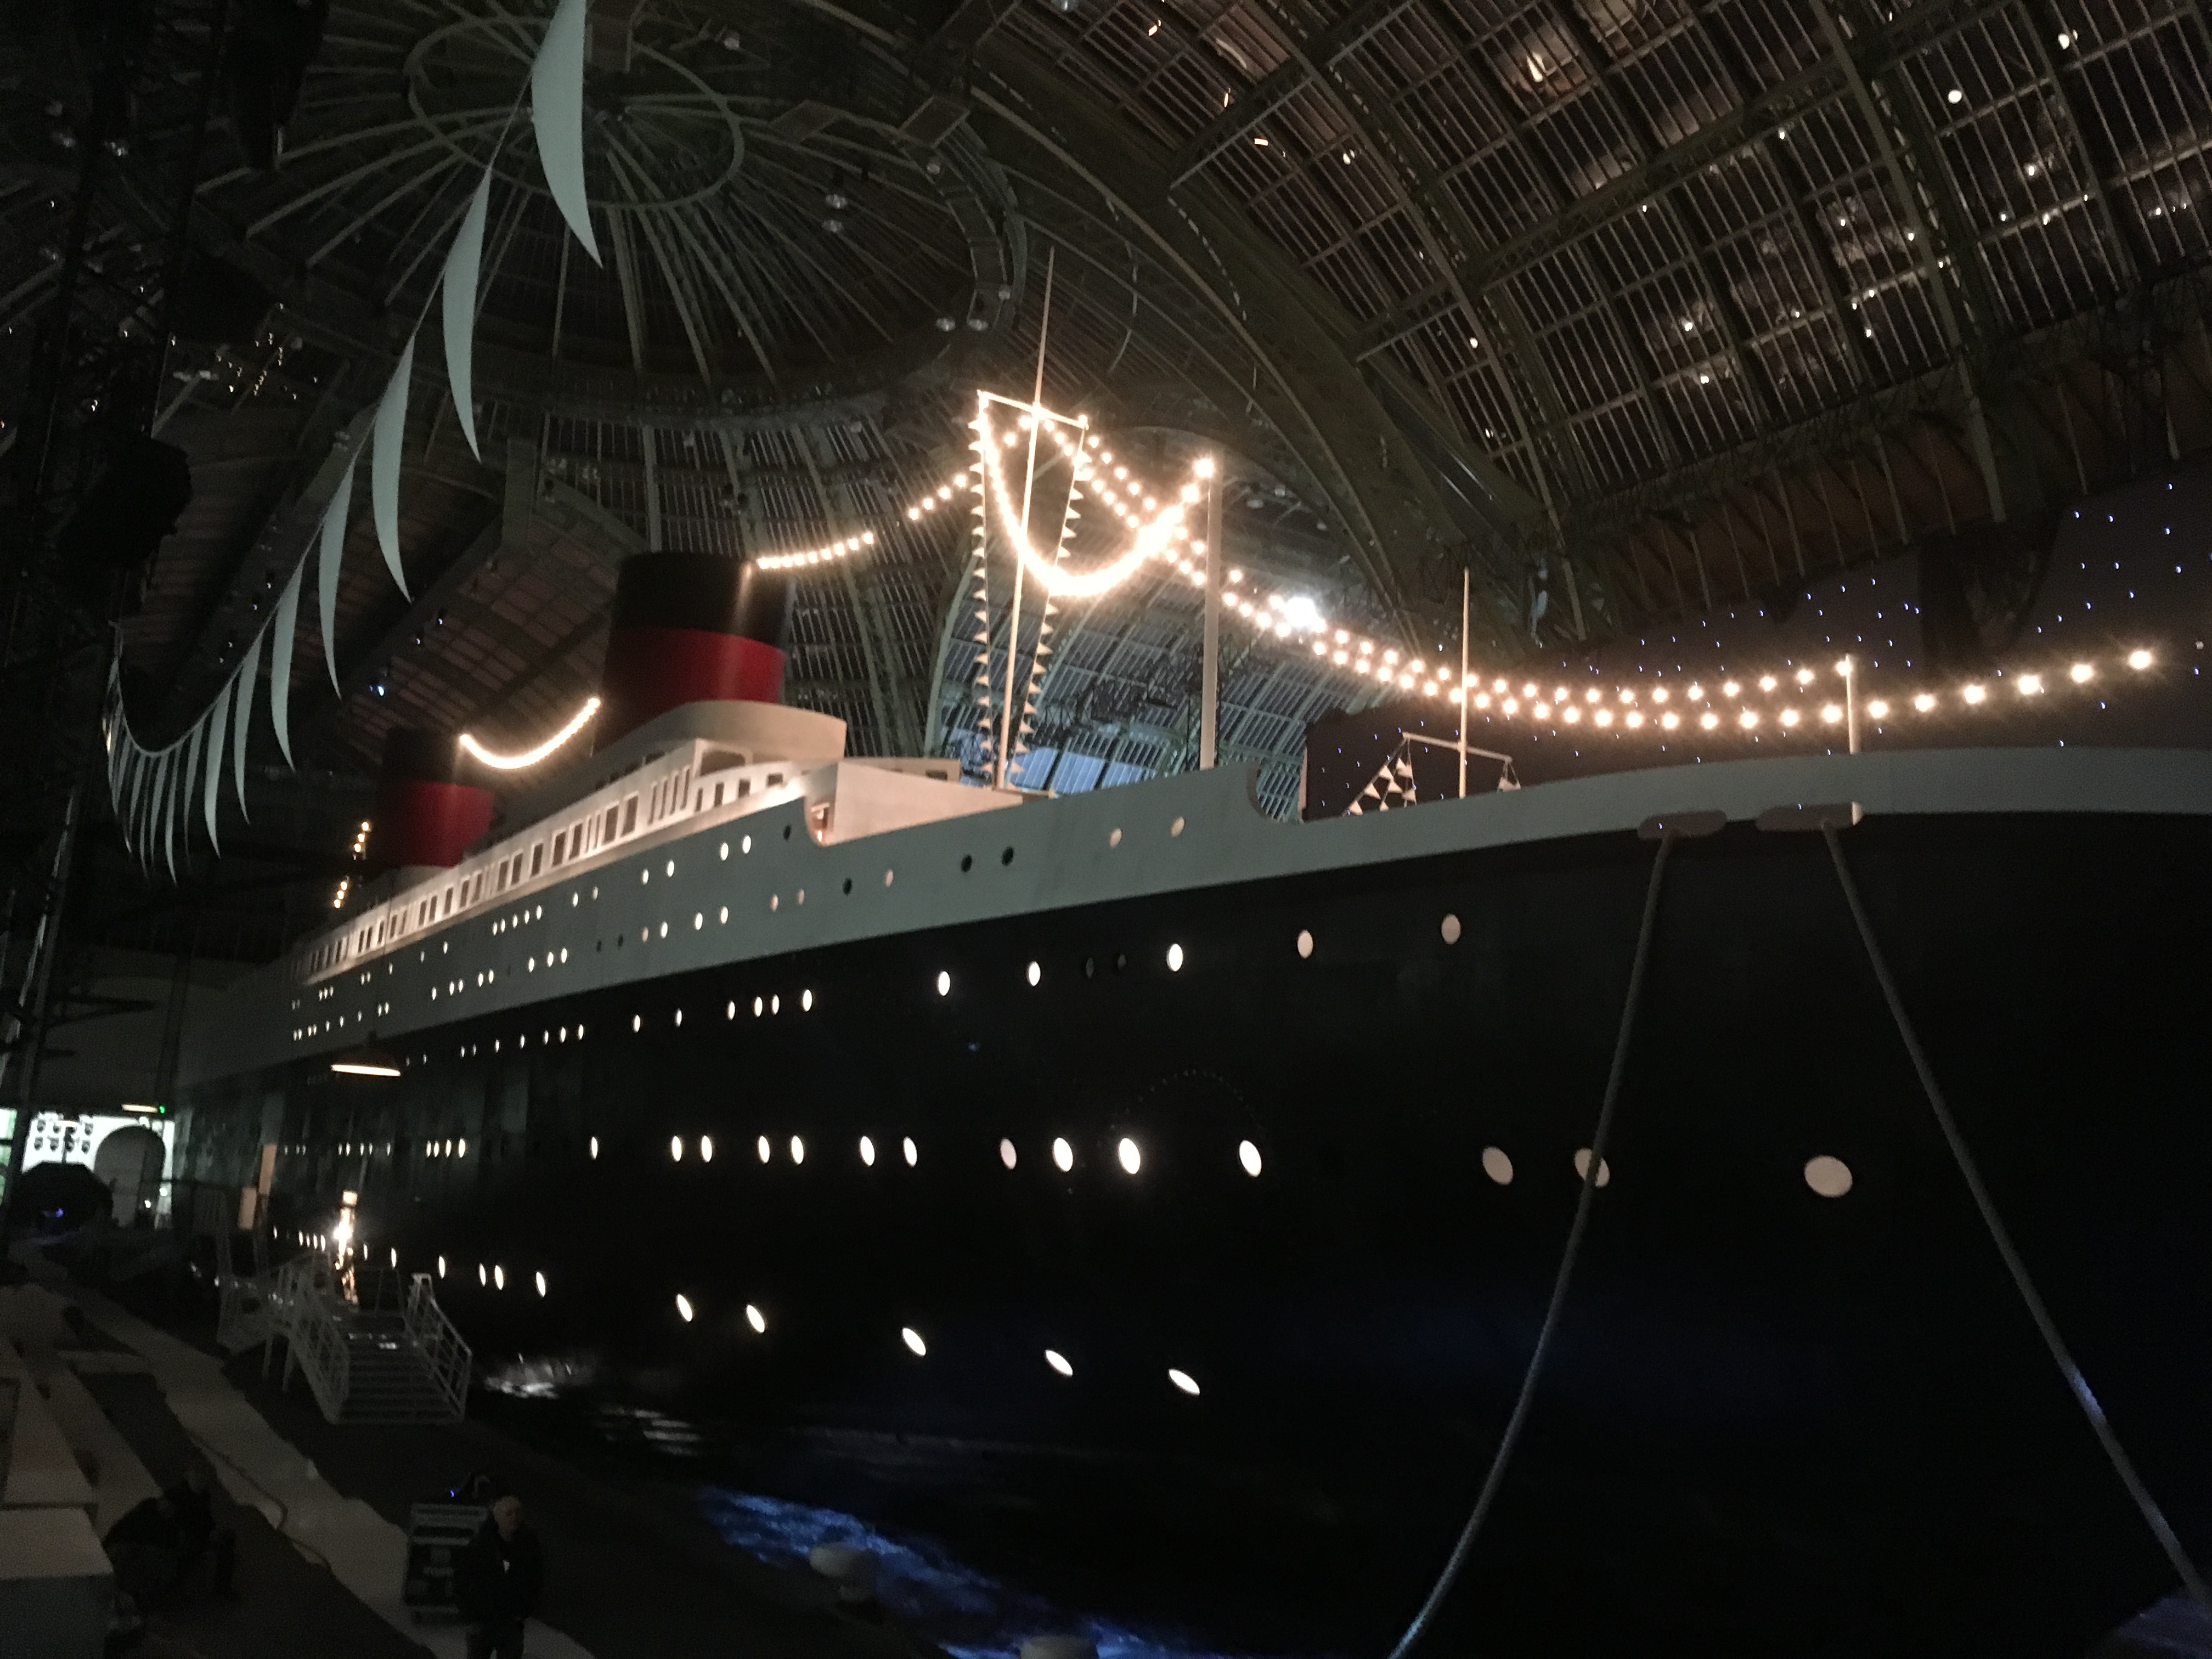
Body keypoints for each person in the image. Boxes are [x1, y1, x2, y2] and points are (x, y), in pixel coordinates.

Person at [455, 1493, 543, 1659]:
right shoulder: (481, 1547)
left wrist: (524, 1611)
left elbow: (535, 1579)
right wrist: (470, 1618)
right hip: (483, 1620)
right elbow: (463, 1581)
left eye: (518, 1513)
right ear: (497, 1518)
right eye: (509, 1514)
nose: (515, 1518)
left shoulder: (528, 1545)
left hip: (511, 1620)